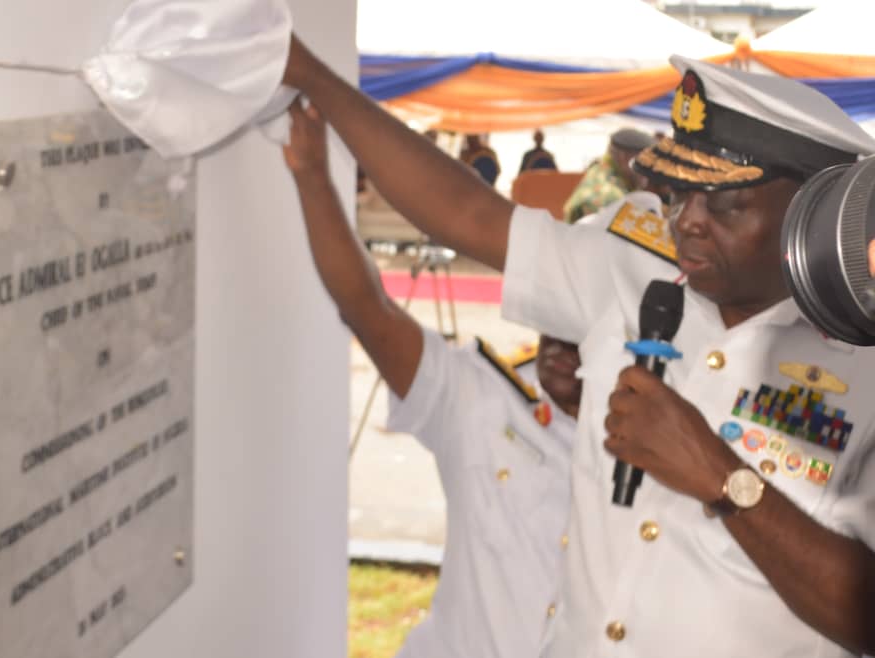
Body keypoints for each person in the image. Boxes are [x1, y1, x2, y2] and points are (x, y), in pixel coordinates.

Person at [282, 35, 875, 657]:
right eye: (679, 192)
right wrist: (316, 77)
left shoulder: (863, 360)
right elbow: (466, 213)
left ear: (817, 213)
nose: (688, 222)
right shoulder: (630, 268)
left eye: (726, 203)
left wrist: (721, 478)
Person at [282, 97, 584, 658]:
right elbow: (367, 308)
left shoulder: (664, 439)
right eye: (553, 314)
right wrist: (313, 175)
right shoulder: (484, 397)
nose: (563, 343)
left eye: (586, 326)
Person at [561, 127, 655, 223]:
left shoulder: (603, 170)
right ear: (623, 157)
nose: (651, 168)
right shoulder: (610, 197)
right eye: (645, 160)